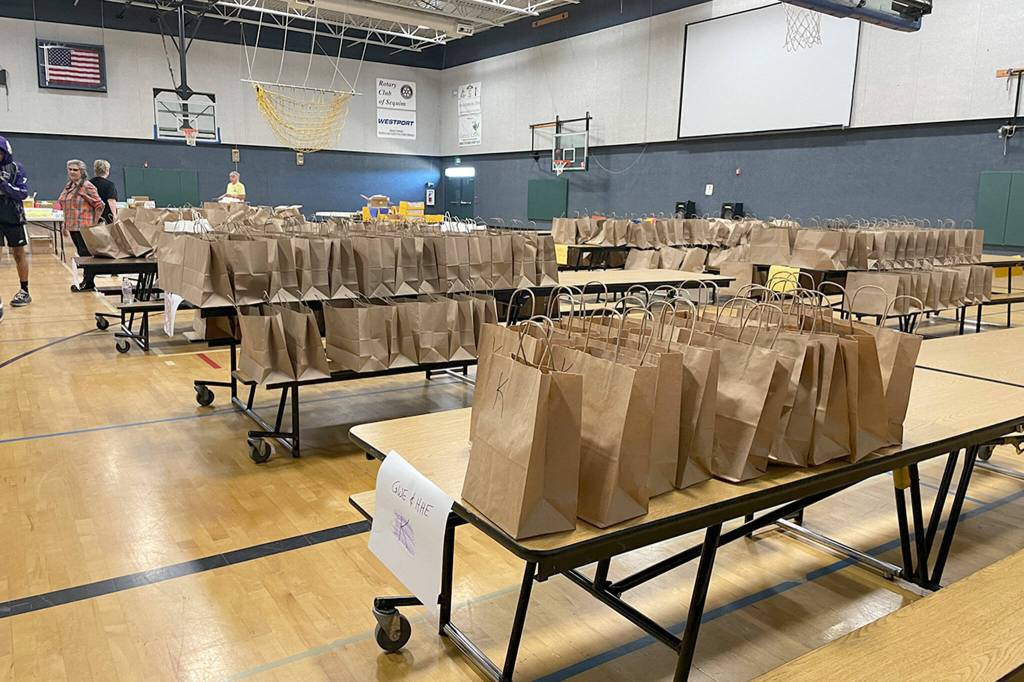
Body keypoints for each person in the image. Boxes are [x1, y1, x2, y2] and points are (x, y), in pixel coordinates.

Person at [58, 159, 105, 292]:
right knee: (81, 253)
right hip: (73, 226)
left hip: (84, 226)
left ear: (82, 171)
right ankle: (86, 281)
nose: (72, 172)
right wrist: (65, 225)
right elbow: (66, 206)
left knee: (86, 255)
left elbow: (100, 205)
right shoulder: (69, 186)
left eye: (75, 170)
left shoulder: (87, 186)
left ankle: (88, 282)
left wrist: (94, 224)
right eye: (70, 169)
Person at [0, 135, 32, 318]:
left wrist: (4, 185)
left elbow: (23, 193)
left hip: (13, 216)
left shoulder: (16, 168)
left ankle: (24, 290)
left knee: (19, 254)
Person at [90, 159, 118, 224]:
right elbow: (111, 201)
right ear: (107, 171)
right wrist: (114, 216)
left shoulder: (88, 183)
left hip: (90, 216)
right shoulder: (109, 185)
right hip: (104, 218)